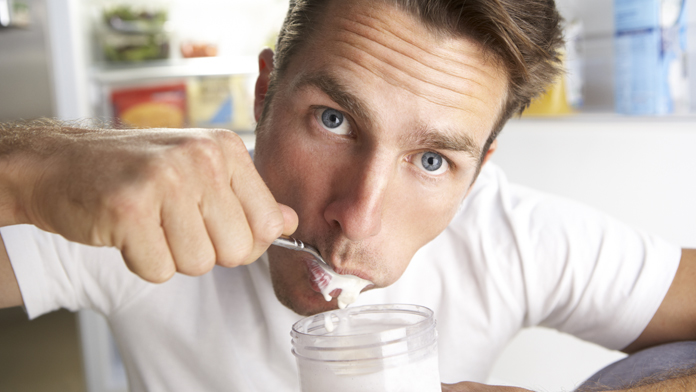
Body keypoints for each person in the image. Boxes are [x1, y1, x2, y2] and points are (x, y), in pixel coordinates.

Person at [0, 0, 694, 390]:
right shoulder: (145, 210)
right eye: (333, 121)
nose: (357, 217)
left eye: (430, 159)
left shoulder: (509, 235)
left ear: (477, 173)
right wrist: (27, 170)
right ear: (266, 93)